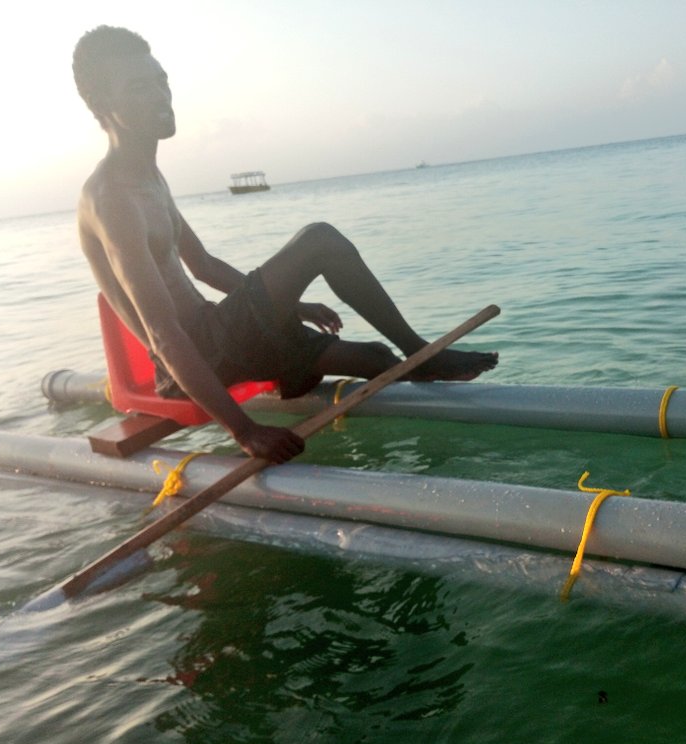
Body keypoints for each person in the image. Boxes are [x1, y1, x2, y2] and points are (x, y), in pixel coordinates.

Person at [72, 26, 497, 464]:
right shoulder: (113, 198)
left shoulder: (149, 178)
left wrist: (291, 308)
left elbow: (203, 265)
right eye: (140, 88)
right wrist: (245, 430)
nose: (161, 95)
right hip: (195, 357)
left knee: (375, 358)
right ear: (105, 106)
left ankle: (420, 421)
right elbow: (163, 336)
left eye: (161, 80)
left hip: (222, 337)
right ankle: (422, 354)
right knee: (320, 241)